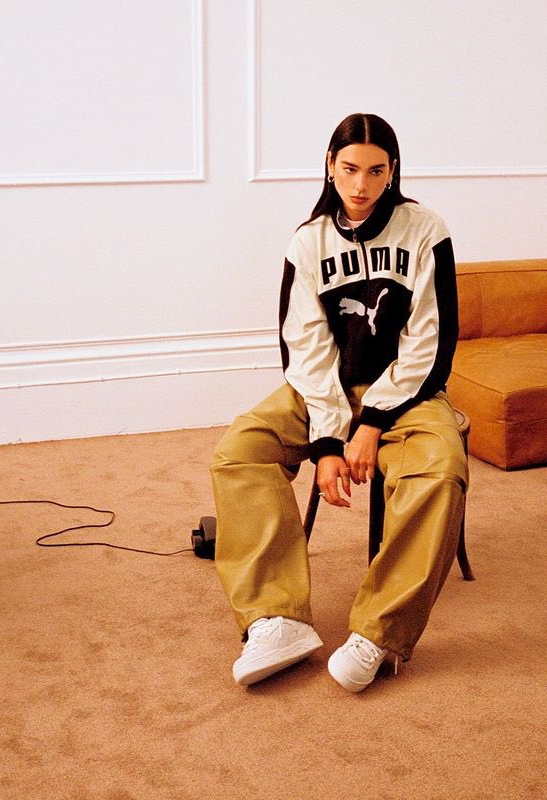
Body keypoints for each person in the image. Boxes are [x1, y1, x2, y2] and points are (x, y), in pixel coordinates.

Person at [210, 113, 468, 693]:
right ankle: (277, 619)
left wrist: (372, 422)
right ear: (330, 165)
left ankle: (379, 633)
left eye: (376, 171)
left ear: (392, 171)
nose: (361, 185)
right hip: (323, 387)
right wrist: (329, 441)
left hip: (407, 391)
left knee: (441, 468)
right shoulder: (310, 241)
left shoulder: (425, 229)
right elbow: (306, 346)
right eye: (349, 169)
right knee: (240, 449)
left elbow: (430, 339)